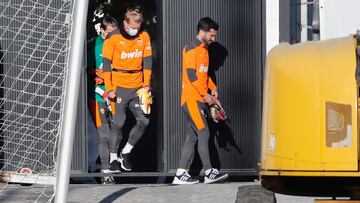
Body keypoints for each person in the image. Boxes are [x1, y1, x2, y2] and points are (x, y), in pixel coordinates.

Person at [172, 17, 228, 184]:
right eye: (211, 35)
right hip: (191, 100)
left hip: (198, 99)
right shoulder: (190, 48)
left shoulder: (204, 49)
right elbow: (191, 76)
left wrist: (213, 88)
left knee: (192, 137)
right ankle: (209, 172)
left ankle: (180, 174)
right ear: (202, 32)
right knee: (204, 132)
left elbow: (204, 74)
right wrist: (206, 95)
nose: (214, 39)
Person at [102, 9, 153, 172]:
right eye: (133, 28)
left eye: (138, 28)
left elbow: (147, 60)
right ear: (125, 23)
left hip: (137, 86)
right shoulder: (113, 37)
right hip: (118, 86)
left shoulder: (144, 36)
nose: (135, 31)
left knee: (144, 121)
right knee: (118, 123)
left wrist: (146, 84)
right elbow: (106, 65)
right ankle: (113, 159)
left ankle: (125, 152)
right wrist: (109, 88)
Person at [87, 16, 119, 183]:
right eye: (110, 33)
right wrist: (103, 92)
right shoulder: (93, 47)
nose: (113, 36)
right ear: (102, 31)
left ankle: (113, 163)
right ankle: (106, 173)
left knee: (117, 131)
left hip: (114, 96)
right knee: (104, 134)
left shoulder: (119, 44)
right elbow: (89, 77)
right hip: (98, 96)